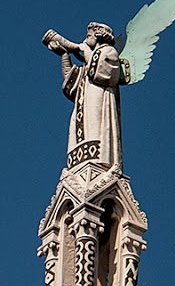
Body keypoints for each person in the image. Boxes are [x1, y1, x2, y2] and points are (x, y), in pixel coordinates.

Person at [43, 22, 124, 173]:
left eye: (88, 36)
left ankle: (98, 163)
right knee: (81, 131)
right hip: (83, 105)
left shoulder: (108, 52)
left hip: (99, 99)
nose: (85, 40)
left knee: (95, 128)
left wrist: (84, 49)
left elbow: (100, 74)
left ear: (98, 36)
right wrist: (64, 55)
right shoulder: (89, 64)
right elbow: (71, 82)